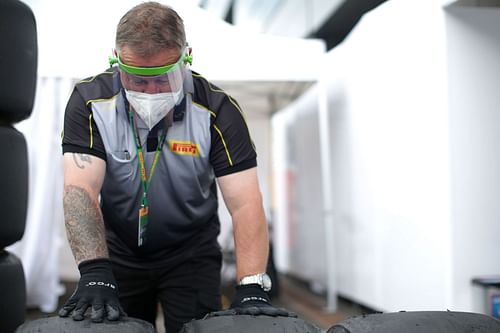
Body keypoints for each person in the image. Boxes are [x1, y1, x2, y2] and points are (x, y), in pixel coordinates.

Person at [58, 2, 292, 332]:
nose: (151, 92)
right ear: (116, 60)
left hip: (191, 255)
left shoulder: (217, 109)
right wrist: (94, 268)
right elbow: (80, 189)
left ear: (186, 59)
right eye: (137, 79)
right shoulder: (89, 101)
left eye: (163, 78)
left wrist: (252, 285)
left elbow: (245, 203)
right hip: (119, 253)